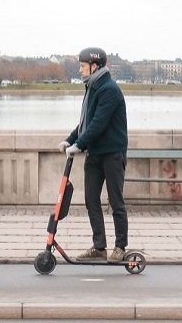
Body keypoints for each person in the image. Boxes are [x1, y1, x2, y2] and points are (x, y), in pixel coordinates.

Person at [58, 47, 129, 263]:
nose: (79, 70)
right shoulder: (93, 87)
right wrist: (70, 139)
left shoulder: (109, 89)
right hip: (95, 153)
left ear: (94, 66)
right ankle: (99, 247)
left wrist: (79, 144)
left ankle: (120, 247)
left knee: (116, 201)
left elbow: (98, 123)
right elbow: (86, 122)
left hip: (112, 153)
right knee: (91, 199)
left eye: (82, 65)